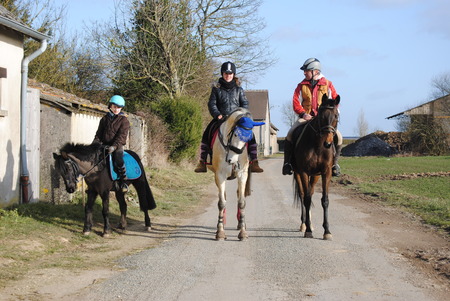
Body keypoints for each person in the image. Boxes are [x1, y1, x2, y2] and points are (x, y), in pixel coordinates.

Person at [194, 61, 264, 173]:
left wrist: (242, 115)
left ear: (233, 75)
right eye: (226, 73)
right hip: (221, 118)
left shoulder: (239, 89)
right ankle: (202, 162)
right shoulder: (216, 89)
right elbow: (212, 104)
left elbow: (245, 104)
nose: (228, 75)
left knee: (251, 135)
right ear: (222, 74)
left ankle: (254, 161)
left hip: (237, 120)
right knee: (206, 133)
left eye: (230, 74)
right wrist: (217, 114)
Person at [282, 58, 343, 176]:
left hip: (323, 120)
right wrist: (303, 114)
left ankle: (334, 164)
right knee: (290, 134)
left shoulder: (328, 84)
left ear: (315, 71)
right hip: (306, 117)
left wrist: (331, 114)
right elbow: (296, 102)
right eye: (304, 71)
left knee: (339, 137)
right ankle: (287, 164)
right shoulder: (301, 86)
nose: (304, 73)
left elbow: (334, 101)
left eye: (307, 70)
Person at [93, 95, 130, 192]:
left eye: (119, 107)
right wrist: (94, 144)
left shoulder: (124, 120)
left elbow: (121, 136)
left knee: (118, 158)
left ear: (121, 108)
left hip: (117, 146)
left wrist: (114, 147)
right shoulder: (104, 119)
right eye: (114, 107)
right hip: (104, 145)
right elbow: (99, 134)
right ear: (110, 106)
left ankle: (123, 181)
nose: (116, 109)